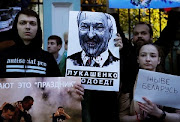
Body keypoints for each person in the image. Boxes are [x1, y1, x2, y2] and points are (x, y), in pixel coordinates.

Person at [119, 43, 180, 121]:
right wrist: (139, 118)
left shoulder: (171, 83)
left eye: (153, 56)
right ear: (138, 59)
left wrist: (159, 113)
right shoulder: (129, 83)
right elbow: (122, 117)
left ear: (159, 60)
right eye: (143, 55)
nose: (148, 59)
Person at [0, 9, 61, 77]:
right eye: (23, 23)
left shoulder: (47, 58)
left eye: (32, 23)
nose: (27, 27)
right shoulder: (3, 56)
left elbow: (58, 85)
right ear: (16, 26)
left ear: (38, 28)